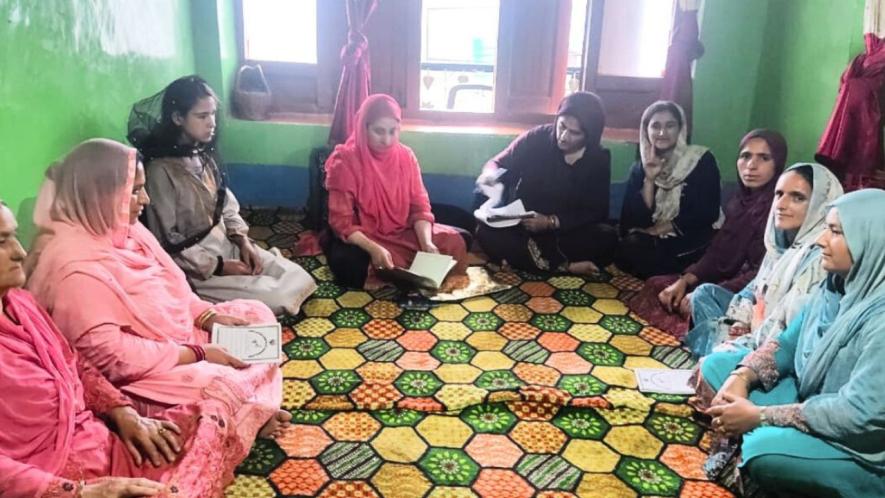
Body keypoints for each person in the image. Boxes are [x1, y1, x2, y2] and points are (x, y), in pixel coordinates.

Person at [27, 139, 291, 447]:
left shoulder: (123, 228)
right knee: (218, 386)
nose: (146, 199)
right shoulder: (74, 268)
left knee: (256, 313)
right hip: (142, 371)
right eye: (134, 191)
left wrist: (207, 317)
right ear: (99, 194)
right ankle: (247, 411)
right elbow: (110, 358)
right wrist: (197, 353)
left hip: (178, 338)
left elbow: (173, 284)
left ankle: (250, 406)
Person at [0, 201, 251, 498]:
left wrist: (123, 413)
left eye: (14, 236)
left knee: (210, 414)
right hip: (45, 475)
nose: (20, 252)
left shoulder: (20, 304)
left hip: (95, 438)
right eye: (2, 242)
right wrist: (77, 492)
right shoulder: (73, 265)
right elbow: (111, 352)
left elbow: (75, 363)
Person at [695, 189, 885, 497]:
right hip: (810, 398)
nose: (821, 240)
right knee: (718, 366)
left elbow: (858, 415)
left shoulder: (880, 319)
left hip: (858, 444)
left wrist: (760, 416)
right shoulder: (834, 287)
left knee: (762, 451)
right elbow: (786, 344)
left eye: (835, 232)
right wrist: (741, 377)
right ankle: (756, 428)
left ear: (872, 240)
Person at [127, 75, 316, 315]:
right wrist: (220, 266)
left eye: (213, 114)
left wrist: (242, 241)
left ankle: (251, 283)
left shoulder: (202, 154)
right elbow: (168, 241)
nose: (212, 123)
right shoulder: (159, 171)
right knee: (278, 297)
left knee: (300, 277)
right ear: (177, 118)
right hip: (195, 265)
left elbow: (225, 203)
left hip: (225, 243)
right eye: (202, 116)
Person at [627, 129, 786, 337]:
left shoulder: (779, 211)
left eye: (764, 158)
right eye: (745, 156)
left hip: (753, 294)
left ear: (778, 164)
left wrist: (711, 291)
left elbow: (762, 275)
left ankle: (716, 329)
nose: (751, 165)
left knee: (699, 299)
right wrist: (685, 280)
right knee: (659, 286)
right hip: (724, 280)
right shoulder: (739, 202)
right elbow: (718, 254)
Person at [684, 163, 843, 356]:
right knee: (704, 293)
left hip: (777, 343)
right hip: (758, 316)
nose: (781, 205)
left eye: (798, 197)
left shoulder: (820, 255)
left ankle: (719, 351)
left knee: (719, 342)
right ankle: (720, 348)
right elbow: (755, 286)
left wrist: (751, 331)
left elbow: (790, 327)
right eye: (779, 194)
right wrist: (740, 320)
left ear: (821, 205)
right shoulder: (779, 241)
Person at [323, 94, 469, 290]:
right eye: (379, 131)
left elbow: (419, 207)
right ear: (363, 128)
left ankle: (401, 270)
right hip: (365, 235)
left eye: (393, 131)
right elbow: (342, 223)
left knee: (459, 239)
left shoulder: (406, 156)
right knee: (348, 264)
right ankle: (397, 269)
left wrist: (426, 244)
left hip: (403, 231)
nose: (387, 140)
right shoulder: (345, 161)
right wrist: (374, 249)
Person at [474, 91, 617, 274]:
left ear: (590, 135)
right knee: (485, 232)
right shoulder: (537, 138)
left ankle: (526, 260)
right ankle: (564, 266)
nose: (563, 136)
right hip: (524, 226)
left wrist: (551, 222)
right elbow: (498, 162)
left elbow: (596, 211)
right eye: (562, 126)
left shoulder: (598, 159)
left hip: (565, 232)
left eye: (574, 133)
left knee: (607, 238)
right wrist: (489, 176)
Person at [618, 101, 721, 279]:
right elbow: (630, 221)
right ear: (646, 130)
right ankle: (669, 273)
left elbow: (707, 212)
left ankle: (682, 272)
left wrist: (656, 231)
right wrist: (649, 179)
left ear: (680, 129)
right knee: (626, 245)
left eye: (670, 126)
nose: (662, 133)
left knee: (636, 252)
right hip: (654, 241)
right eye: (655, 126)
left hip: (692, 237)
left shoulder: (700, 160)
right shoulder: (640, 167)